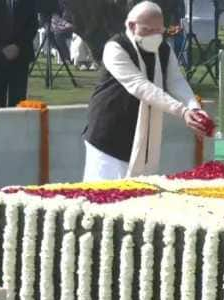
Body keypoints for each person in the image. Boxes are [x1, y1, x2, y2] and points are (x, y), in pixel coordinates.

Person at [81, 1, 210, 182]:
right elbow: (141, 87)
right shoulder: (115, 47)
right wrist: (182, 111)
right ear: (132, 26)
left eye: (159, 31)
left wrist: (194, 109)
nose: (155, 36)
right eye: (148, 30)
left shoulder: (164, 49)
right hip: (107, 133)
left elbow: (176, 81)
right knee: (103, 195)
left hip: (142, 136)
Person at [0, 0, 38, 108]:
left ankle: (16, 125)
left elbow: (33, 25)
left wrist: (17, 46)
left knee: (18, 104)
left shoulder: (29, 2)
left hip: (20, 57)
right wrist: (3, 48)